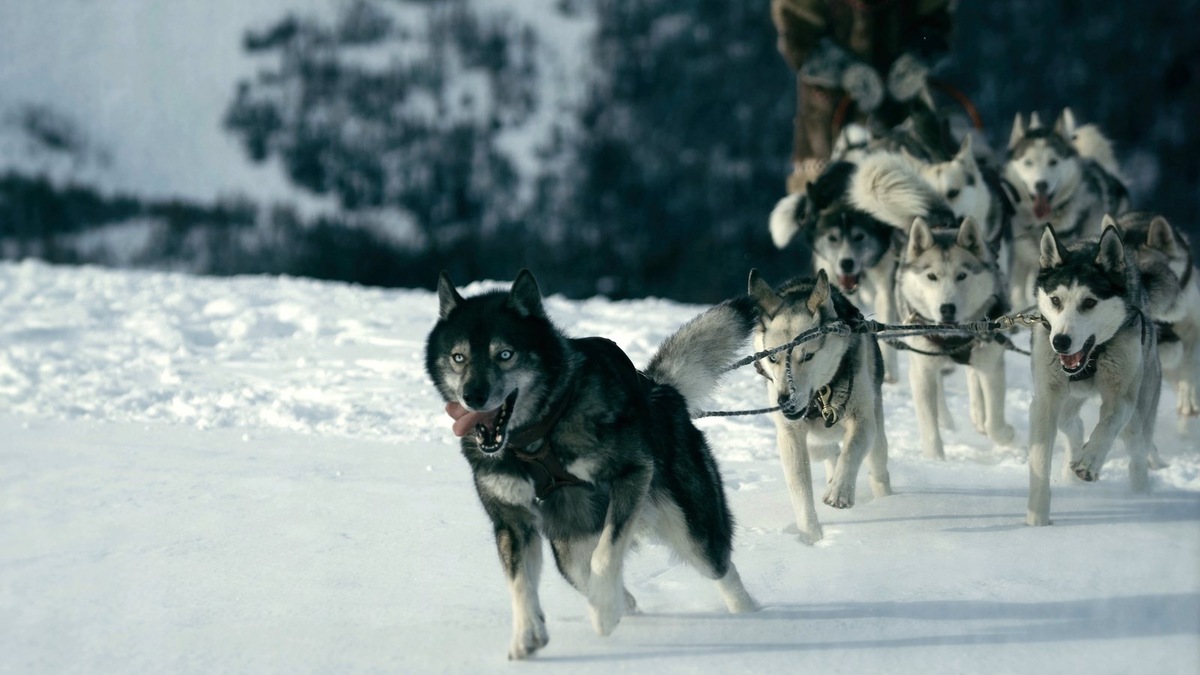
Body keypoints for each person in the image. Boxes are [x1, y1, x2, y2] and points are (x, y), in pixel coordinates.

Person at [771, 0, 955, 193]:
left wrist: (918, 56)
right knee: (822, 199)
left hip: (905, 110)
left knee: (926, 192)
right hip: (828, 120)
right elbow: (798, 35)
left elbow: (937, 19)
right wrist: (843, 71)